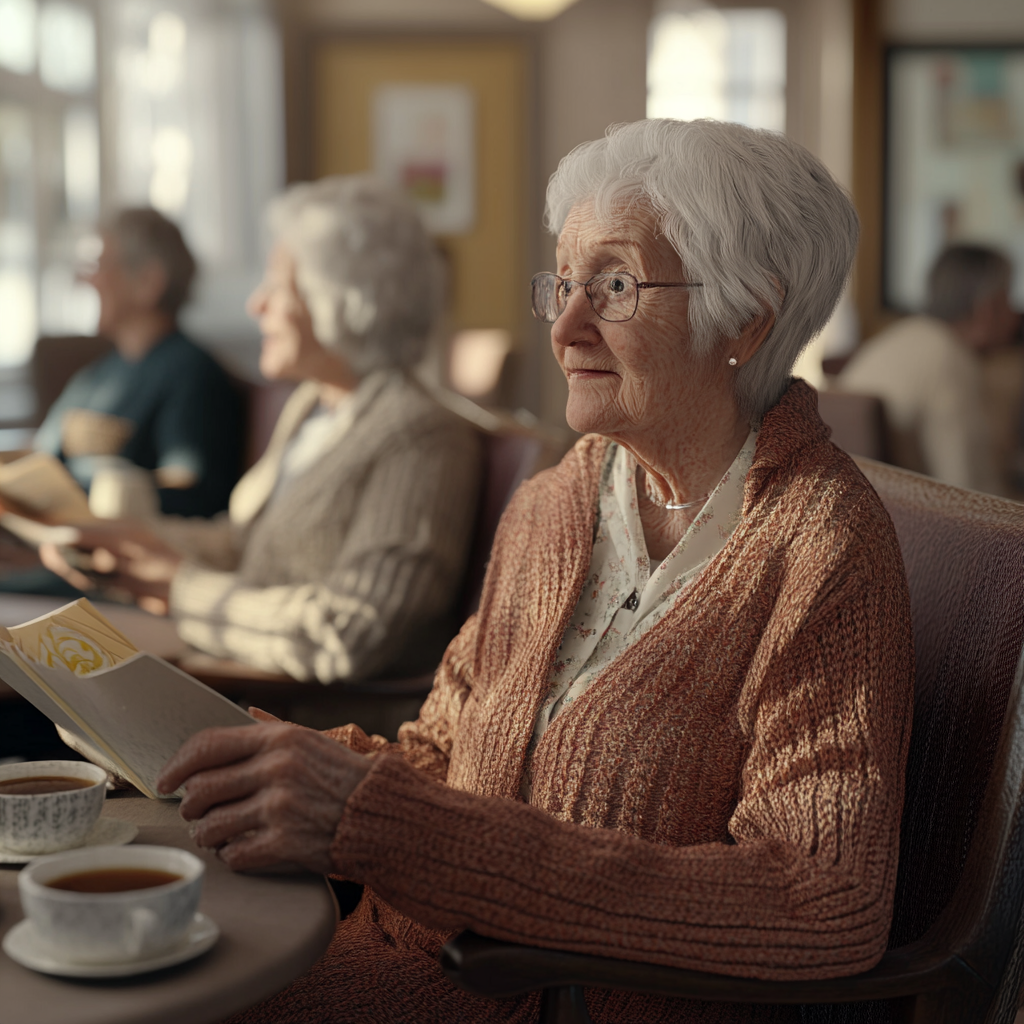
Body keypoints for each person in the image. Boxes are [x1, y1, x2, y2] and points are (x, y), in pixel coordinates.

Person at [155, 120, 914, 1024]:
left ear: (747, 317)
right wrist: (283, 765)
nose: (564, 325)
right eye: (562, 282)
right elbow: (440, 753)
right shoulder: (559, 499)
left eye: (615, 285)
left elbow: (819, 902)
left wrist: (379, 823)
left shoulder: (823, 550)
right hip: (389, 962)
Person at [43, 176, 482, 683]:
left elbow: (351, 634)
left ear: (341, 299)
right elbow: (245, 545)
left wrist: (180, 589)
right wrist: (126, 547)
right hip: (238, 675)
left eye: (276, 285)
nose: (257, 304)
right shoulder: (313, 407)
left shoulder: (419, 436)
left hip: (298, 718)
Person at [34, 207, 243, 517]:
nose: (86, 280)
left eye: (99, 266)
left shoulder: (192, 375)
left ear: (148, 281)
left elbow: (190, 493)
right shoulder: (95, 376)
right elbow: (38, 458)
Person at [838, 244, 1020, 493]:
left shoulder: (903, 335)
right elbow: (967, 491)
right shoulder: (949, 357)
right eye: (1009, 298)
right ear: (987, 308)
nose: (1015, 314)